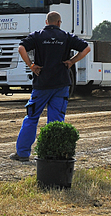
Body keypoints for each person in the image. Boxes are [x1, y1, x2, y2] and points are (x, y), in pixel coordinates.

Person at [9, 11, 91, 162]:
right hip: (61, 84)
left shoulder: (37, 35)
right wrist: (72, 61)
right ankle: (51, 154)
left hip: (42, 83)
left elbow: (21, 48)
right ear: (59, 23)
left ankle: (22, 153)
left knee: (32, 118)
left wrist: (31, 65)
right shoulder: (66, 36)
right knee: (56, 120)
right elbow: (86, 49)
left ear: (46, 22)